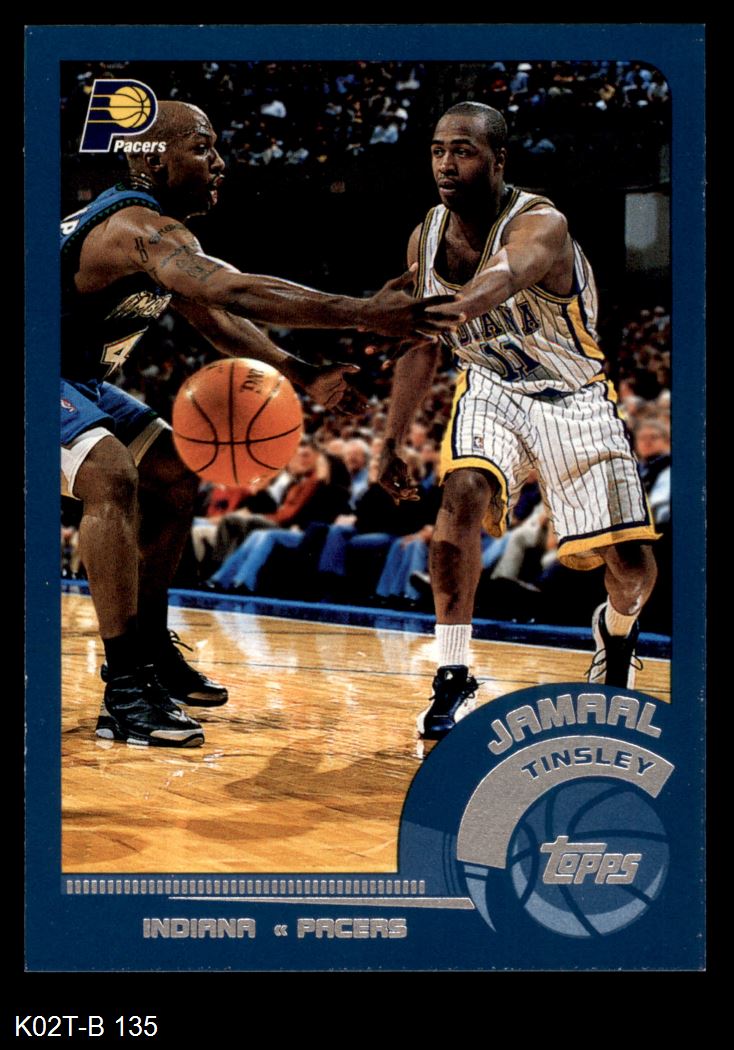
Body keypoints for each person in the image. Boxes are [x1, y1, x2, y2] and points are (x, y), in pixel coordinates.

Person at [62, 99, 460, 748]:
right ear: (153, 158)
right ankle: (125, 688)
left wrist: (299, 372)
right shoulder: (138, 227)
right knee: (110, 473)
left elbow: (213, 315)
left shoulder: (153, 231)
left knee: (176, 467)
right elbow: (233, 291)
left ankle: (152, 646)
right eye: (202, 147)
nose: (219, 162)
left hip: (76, 379)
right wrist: (362, 312)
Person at [378, 101, 660, 742]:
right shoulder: (426, 236)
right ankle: (453, 670)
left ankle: (616, 631)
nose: (446, 164)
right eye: (438, 150)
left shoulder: (541, 223)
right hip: (492, 387)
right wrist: (389, 440)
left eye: (463, 151)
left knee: (631, 566)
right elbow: (421, 347)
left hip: (573, 396)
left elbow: (501, 278)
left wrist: (423, 309)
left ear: (499, 160)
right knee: (460, 494)